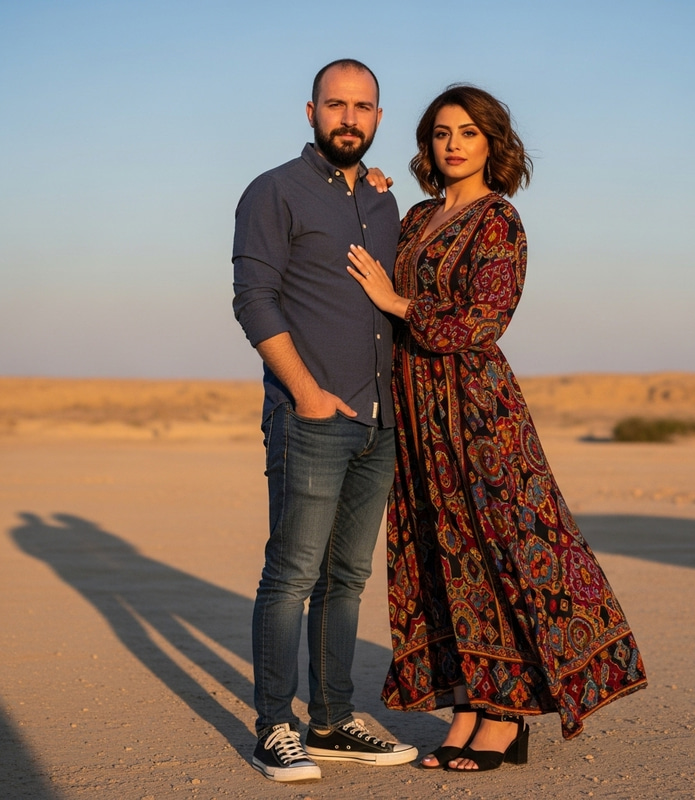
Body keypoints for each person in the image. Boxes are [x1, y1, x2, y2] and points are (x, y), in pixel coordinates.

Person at [347, 84, 647, 772]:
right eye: (441, 133)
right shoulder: (415, 215)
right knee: (437, 555)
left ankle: (506, 716)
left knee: (494, 550)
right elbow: (359, 246)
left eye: (467, 133)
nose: (452, 144)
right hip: (416, 412)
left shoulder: (498, 220)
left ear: (492, 145)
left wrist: (398, 301)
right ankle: (471, 707)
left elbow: (484, 319)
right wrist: (370, 191)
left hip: (479, 414)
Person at [232, 58, 418, 783]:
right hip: (312, 417)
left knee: (348, 576)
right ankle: (274, 726)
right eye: (335, 105)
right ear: (309, 112)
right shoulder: (273, 190)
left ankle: (334, 719)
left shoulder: (382, 202)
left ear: (378, 117)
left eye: (363, 107)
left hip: (381, 421)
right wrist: (306, 392)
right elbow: (255, 299)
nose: (350, 118)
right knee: (292, 574)